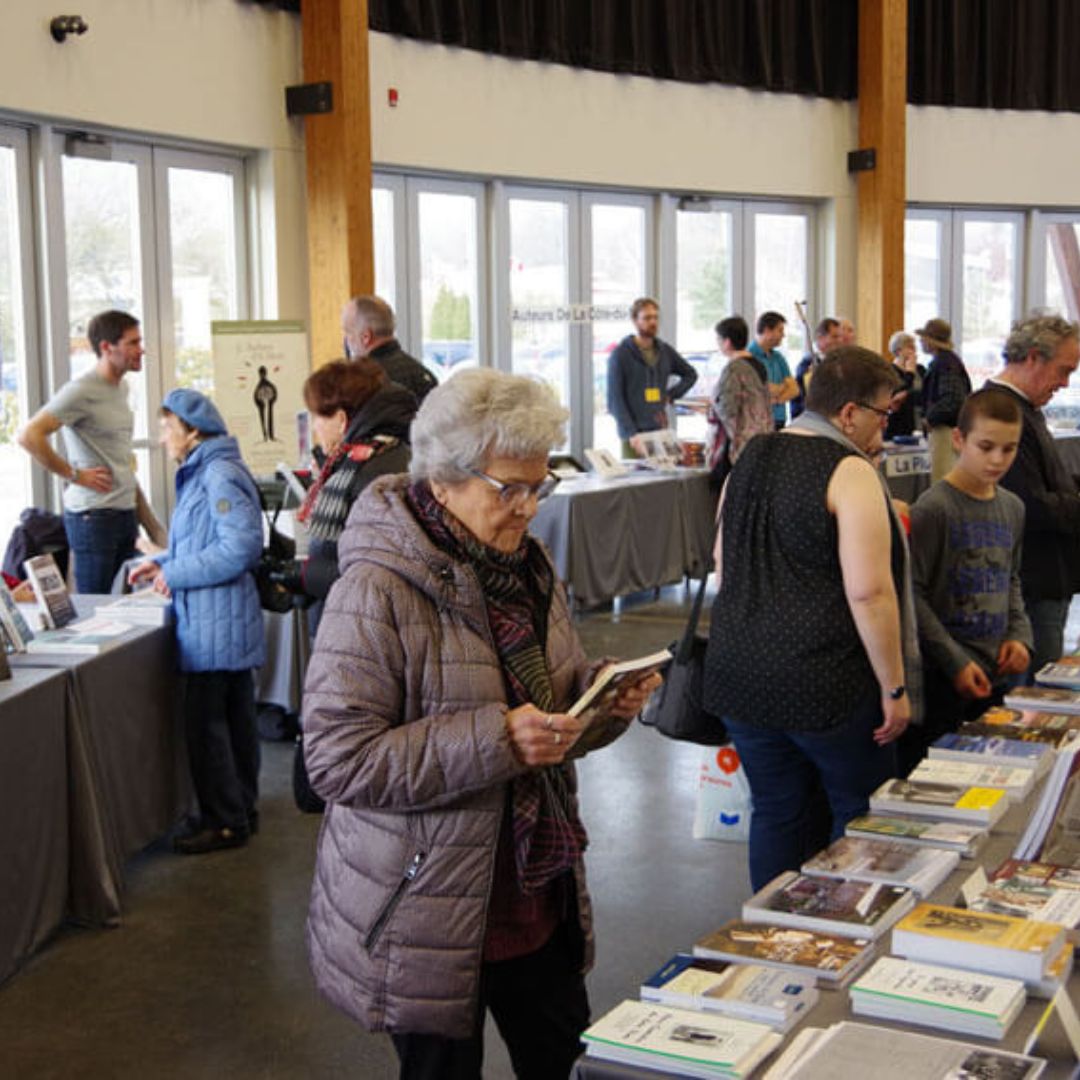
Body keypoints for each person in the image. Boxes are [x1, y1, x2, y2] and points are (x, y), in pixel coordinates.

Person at [302, 369, 661, 1079]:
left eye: (540, 485)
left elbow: (549, 714)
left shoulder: (528, 567)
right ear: (443, 480)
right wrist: (500, 739)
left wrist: (599, 700)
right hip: (427, 907)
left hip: (537, 887)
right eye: (510, 488)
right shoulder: (375, 588)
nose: (529, 507)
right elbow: (338, 760)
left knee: (562, 1061)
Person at [703, 347, 919, 892]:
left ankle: (773, 942)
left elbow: (723, 566)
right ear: (849, 414)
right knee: (860, 814)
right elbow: (870, 593)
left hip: (740, 677)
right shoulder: (849, 470)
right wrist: (895, 686)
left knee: (776, 810)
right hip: (826, 683)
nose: (884, 429)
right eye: (882, 414)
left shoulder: (749, 458)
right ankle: (852, 941)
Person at [129, 389, 265, 855]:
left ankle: (224, 820)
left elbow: (241, 548)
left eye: (168, 427)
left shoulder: (218, 473)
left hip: (216, 626)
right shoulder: (206, 471)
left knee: (208, 726)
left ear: (191, 431)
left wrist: (174, 573)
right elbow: (203, 540)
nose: (163, 436)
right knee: (233, 720)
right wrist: (164, 559)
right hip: (217, 623)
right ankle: (239, 810)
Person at [901, 389, 1032, 773]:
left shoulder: (1012, 507)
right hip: (940, 679)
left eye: (1008, 449)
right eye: (986, 446)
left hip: (993, 674)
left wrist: (1019, 635)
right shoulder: (934, 508)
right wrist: (954, 661)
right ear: (959, 440)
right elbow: (913, 594)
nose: (997, 459)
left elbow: (1011, 579)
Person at [17, 310, 165, 593]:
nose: (141, 350)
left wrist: (151, 525)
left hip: (124, 513)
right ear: (107, 348)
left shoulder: (121, 388)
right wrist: (74, 474)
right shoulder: (81, 390)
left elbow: (120, 461)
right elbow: (29, 435)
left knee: (122, 607)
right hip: (93, 518)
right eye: (132, 343)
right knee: (94, 607)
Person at [987, 312, 1080, 675]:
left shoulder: (1026, 409)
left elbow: (1048, 484)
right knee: (1040, 688)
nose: (1065, 382)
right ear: (1032, 358)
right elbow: (1031, 505)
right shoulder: (1003, 411)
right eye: (1063, 370)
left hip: (1047, 578)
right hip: (1033, 579)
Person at [294, 358, 415, 633]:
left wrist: (303, 576)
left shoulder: (373, 473)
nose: (314, 427)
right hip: (348, 621)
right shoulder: (364, 460)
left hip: (359, 631)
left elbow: (374, 570)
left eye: (317, 417)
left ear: (340, 419)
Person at [606, 297, 698, 457]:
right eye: (647, 318)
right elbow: (615, 401)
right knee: (636, 480)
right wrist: (631, 433)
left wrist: (671, 395)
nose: (653, 322)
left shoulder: (664, 351)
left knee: (662, 479)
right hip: (634, 436)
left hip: (659, 431)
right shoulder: (620, 354)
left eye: (655, 317)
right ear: (635, 320)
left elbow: (690, 374)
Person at [705, 316, 772, 492]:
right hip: (761, 444)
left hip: (740, 447)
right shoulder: (759, 365)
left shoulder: (733, 369)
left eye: (719, 340)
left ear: (727, 342)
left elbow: (728, 408)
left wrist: (711, 404)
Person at [342, 295, 438, 405]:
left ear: (365, 337)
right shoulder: (424, 375)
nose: (345, 340)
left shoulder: (364, 384)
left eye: (347, 331)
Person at [917, 317, 972, 481]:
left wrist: (930, 418)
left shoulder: (944, 364)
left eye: (923, 338)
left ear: (931, 341)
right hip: (950, 429)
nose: (921, 342)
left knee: (943, 479)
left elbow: (952, 400)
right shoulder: (949, 361)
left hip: (944, 431)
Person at [748, 311, 798, 429]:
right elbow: (761, 389)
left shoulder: (778, 357)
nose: (783, 335)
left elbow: (794, 389)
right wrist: (782, 386)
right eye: (780, 330)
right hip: (758, 419)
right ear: (767, 330)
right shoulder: (749, 356)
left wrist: (775, 400)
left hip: (779, 418)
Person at [792, 317, 841, 420]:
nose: (839, 341)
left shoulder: (835, 361)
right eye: (834, 337)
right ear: (820, 338)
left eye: (839, 337)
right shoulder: (806, 363)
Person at [884, 331, 927, 440]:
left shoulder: (921, 370)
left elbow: (926, 392)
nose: (914, 351)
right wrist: (909, 374)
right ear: (898, 351)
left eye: (914, 347)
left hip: (919, 423)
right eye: (910, 347)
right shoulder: (889, 371)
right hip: (898, 426)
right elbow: (896, 396)